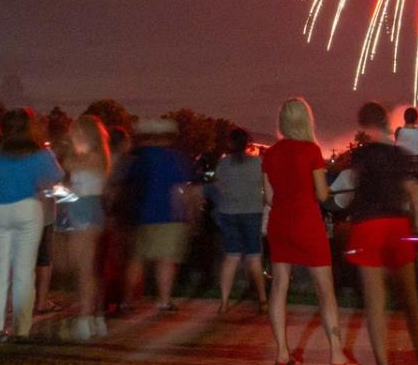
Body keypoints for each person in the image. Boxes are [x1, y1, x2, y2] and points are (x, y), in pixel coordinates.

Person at [344, 100, 418, 365]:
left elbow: (357, 191)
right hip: (397, 225)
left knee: (375, 305)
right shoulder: (400, 155)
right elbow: (409, 191)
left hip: (367, 227)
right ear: (388, 123)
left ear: (364, 126)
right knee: (411, 302)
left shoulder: (360, 156)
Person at [261, 97, 355, 365]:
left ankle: (281, 353)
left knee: (279, 287)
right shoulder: (311, 151)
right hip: (306, 222)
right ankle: (336, 356)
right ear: (305, 120)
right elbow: (323, 194)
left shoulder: (271, 154)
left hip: (280, 223)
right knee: (325, 291)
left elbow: (269, 197)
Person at [0, 108, 61, 344]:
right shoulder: (39, 152)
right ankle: (21, 328)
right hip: (29, 209)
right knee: (24, 272)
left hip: (0, 211)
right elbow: (56, 176)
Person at [118, 118, 199, 312]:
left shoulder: (139, 158)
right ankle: (163, 300)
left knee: (137, 260)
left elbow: (126, 185)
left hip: (141, 216)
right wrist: (192, 216)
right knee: (166, 261)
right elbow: (186, 190)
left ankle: (127, 300)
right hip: (170, 216)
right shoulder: (176, 159)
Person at [56, 113, 111, 339]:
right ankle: (94, 318)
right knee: (85, 269)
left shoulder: (95, 157)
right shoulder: (94, 157)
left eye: (76, 133)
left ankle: (85, 320)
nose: (72, 136)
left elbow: (68, 164)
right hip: (81, 209)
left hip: (86, 212)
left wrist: (66, 153)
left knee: (85, 270)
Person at [213, 127, 267, 315]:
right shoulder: (257, 163)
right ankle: (262, 299)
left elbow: (219, 187)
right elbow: (266, 190)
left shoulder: (223, 164)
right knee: (254, 257)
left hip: (229, 213)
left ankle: (224, 302)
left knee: (231, 257)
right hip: (252, 212)